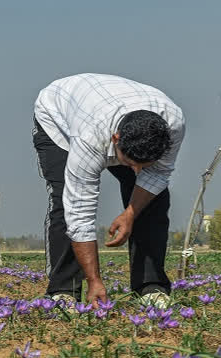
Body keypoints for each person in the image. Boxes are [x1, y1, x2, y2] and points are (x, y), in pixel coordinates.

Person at [33, 73, 185, 307]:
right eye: (131, 162)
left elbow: (159, 174)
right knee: (64, 201)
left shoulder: (173, 126)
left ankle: (150, 287)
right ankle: (62, 290)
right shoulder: (90, 138)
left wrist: (130, 213)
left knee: (155, 200)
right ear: (116, 139)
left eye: (144, 165)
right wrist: (95, 280)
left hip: (110, 105)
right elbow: (80, 212)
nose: (136, 171)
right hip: (58, 116)